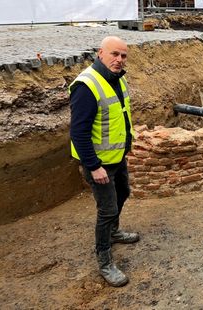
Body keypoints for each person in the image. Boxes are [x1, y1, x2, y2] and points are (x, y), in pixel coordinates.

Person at [69, 36, 139, 287]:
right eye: (114, 54)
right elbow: (78, 132)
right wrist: (94, 166)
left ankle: (114, 232)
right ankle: (104, 261)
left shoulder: (116, 79)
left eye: (123, 55)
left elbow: (120, 116)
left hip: (116, 157)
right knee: (107, 209)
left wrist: (126, 146)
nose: (119, 59)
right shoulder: (87, 85)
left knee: (124, 192)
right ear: (100, 53)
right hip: (99, 163)